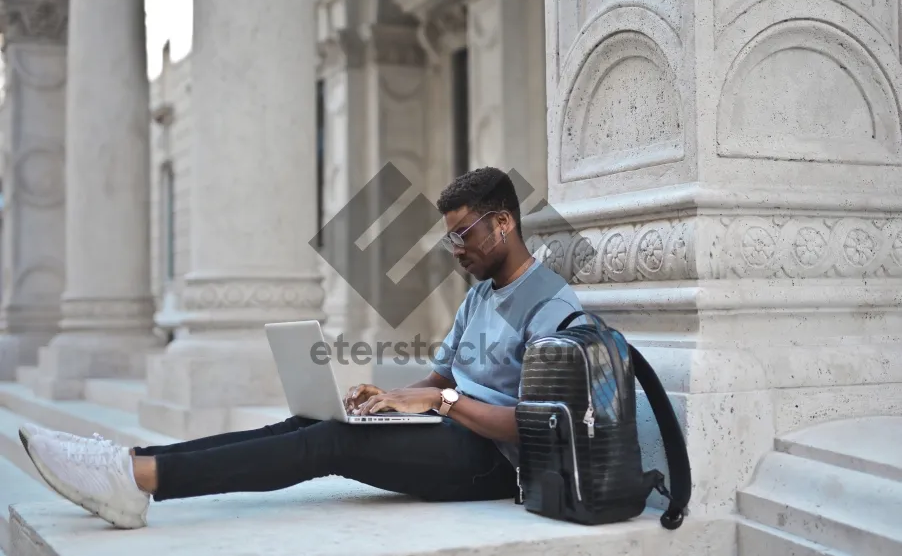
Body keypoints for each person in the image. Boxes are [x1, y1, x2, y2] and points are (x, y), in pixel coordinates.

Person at [19, 167, 583, 529]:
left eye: (461, 234)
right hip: (453, 433)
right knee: (308, 422)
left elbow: (529, 426)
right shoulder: (481, 295)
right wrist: (387, 399)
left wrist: (441, 405)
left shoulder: (553, 307)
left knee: (329, 443)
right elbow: (440, 381)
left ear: (503, 223)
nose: (454, 250)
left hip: (494, 466)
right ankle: (135, 464)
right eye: (448, 237)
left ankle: (140, 481)